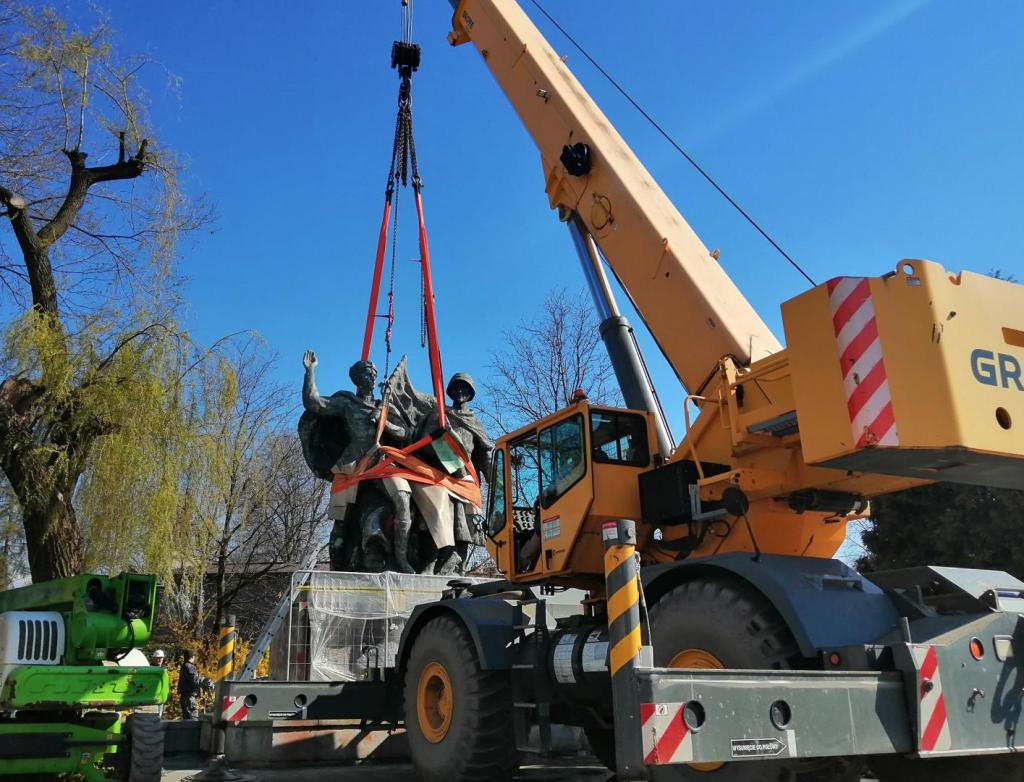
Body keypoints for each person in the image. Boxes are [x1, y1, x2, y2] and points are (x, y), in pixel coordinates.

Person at [178, 650, 202, 720]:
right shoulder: (190, 667)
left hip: (184, 696)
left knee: (186, 719)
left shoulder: (184, 666)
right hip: (189, 697)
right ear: (192, 657)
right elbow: (194, 680)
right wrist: (204, 681)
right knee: (193, 718)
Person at [152, 649, 167, 717]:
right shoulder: (150, 669)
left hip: (161, 695)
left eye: (161, 658)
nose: (160, 659)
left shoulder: (164, 669)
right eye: (158, 658)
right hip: (152, 695)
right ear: (154, 659)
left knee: (159, 715)